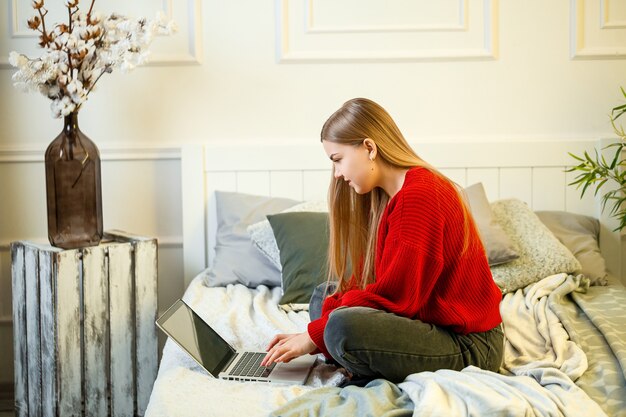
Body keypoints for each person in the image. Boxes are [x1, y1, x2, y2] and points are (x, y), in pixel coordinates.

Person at [261, 98, 504, 384]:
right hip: (428, 323)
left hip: (469, 346)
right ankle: (355, 355)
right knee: (324, 296)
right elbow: (374, 284)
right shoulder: (390, 199)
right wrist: (316, 331)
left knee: (340, 325)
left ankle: (354, 356)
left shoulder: (421, 195)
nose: (337, 174)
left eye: (338, 160)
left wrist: (313, 335)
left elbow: (396, 297)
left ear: (369, 148)